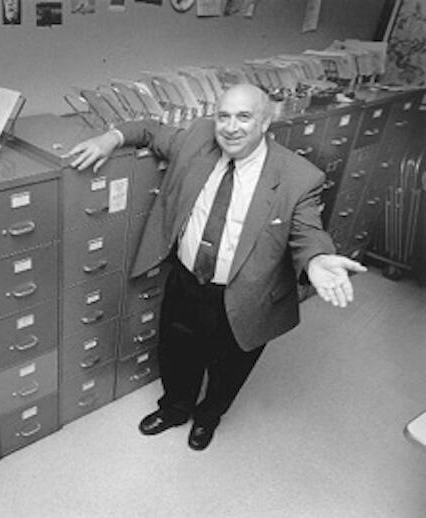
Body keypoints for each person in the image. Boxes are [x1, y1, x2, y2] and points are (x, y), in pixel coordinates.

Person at [63, 84, 366, 450]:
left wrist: (317, 259)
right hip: (188, 280)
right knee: (176, 353)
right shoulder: (196, 139)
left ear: (266, 122)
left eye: (244, 117)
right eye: (224, 116)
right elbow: (149, 130)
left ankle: (208, 419)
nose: (231, 127)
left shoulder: (299, 177)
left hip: (248, 292)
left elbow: (306, 231)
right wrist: (109, 139)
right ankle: (175, 409)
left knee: (230, 367)